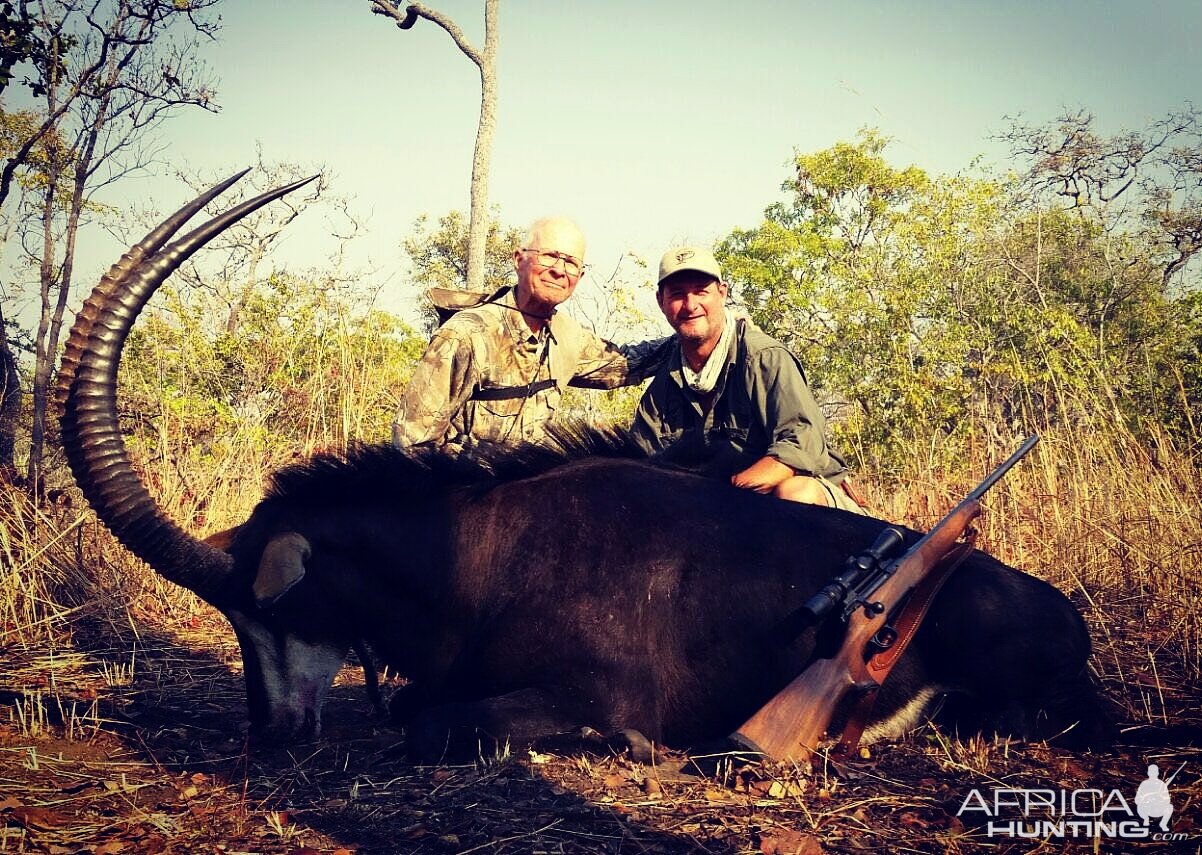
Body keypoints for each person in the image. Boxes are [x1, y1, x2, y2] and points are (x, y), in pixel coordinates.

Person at [393, 216, 669, 453]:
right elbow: (412, 446)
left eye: (571, 263)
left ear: (580, 277)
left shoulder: (568, 338)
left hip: (531, 494)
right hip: (467, 492)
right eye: (549, 255)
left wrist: (688, 333)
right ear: (519, 259)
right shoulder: (466, 335)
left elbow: (625, 364)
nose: (559, 270)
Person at [630, 245, 864, 512]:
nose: (690, 305)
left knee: (794, 493)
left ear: (722, 293)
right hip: (725, 515)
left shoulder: (764, 357)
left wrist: (725, 498)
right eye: (677, 294)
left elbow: (803, 443)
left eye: (701, 291)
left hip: (815, 511)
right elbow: (642, 466)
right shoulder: (663, 384)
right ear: (661, 302)